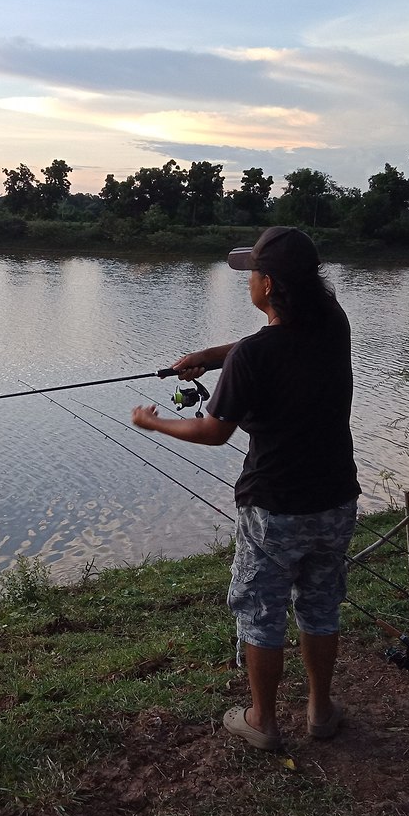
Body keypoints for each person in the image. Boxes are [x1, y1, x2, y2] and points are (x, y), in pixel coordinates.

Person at [131, 226, 360, 752]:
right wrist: (212, 356)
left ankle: (262, 720)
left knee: (261, 610)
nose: (248, 282)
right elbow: (272, 342)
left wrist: (155, 422)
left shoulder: (255, 356)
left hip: (274, 508)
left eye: (252, 274)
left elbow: (214, 432)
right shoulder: (334, 322)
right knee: (321, 605)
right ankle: (321, 712)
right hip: (335, 499)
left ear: (269, 283)